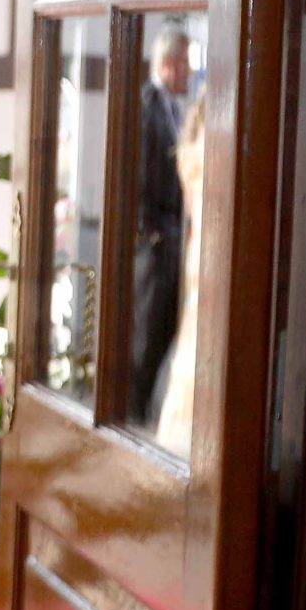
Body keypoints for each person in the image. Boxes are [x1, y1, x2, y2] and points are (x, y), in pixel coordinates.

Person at [130, 22, 194, 422]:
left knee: (165, 336)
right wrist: (151, 232)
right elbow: (139, 174)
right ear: (168, 63)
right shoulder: (147, 106)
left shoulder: (173, 108)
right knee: (146, 336)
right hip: (154, 245)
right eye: (185, 62)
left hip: (172, 242)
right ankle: (134, 416)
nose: (189, 70)